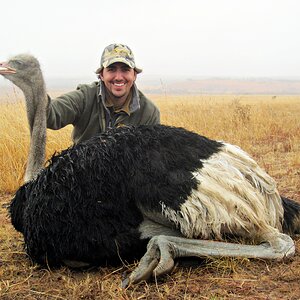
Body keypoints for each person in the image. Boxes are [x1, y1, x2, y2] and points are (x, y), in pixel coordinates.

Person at [47, 44, 160, 144]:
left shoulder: (148, 112)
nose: (119, 77)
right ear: (101, 74)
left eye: (125, 70)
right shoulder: (85, 98)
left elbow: (151, 157)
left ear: (134, 75)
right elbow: (51, 115)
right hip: (84, 167)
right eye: (111, 69)